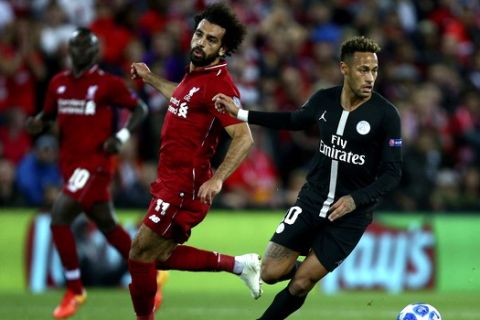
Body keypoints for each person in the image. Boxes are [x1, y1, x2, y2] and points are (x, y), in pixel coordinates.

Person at [214, 36, 403, 319]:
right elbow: (293, 121)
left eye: (374, 70)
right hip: (312, 199)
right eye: (364, 69)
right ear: (345, 68)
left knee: (302, 283)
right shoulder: (324, 100)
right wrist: (241, 113)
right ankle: (304, 266)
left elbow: (392, 173)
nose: (371, 77)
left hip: (351, 215)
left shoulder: (386, 115)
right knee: (270, 272)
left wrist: (356, 199)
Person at [128, 4, 261, 320]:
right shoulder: (195, 76)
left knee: (139, 255)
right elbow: (183, 98)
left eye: (211, 40)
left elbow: (244, 137)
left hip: (185, 186)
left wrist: (218, 179)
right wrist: (150, 80)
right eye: (199, 34)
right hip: (169, 178)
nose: (201, 43)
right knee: (158, 256)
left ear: (223, 48)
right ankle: (240, 265)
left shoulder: (220, 86)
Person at [25, 28, 167, 319]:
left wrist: (122, 137)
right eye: (74, 47)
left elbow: (138, 108)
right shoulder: (58, 83)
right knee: (108, 226)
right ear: (69, 51)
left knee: (59, 215)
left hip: (97, 164)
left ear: (94, 52)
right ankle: (150, 272)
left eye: (84, 47)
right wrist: (39, 123)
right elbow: (49, 115)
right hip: (70, 166)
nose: (78, 52)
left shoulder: (106, 84)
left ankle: (75, 290)